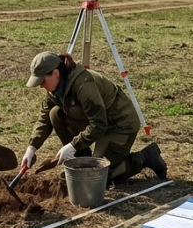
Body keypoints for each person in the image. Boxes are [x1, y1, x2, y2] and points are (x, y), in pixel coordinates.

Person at [20, 51, 166, 183]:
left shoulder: (84, 85)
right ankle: (82, 160)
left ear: (56, 73)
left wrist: (73, 145)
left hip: (119, 125)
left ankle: (145, 157)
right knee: (55, 114)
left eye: (42, 81)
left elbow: (99, 123)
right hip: (97, 123)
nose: (41, 86)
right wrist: (32, 147)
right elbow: (45, 118)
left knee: (97, 177)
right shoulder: (55, 88)